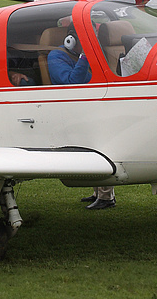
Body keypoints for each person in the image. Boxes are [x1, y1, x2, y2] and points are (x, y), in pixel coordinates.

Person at [48, 27, 113, 209]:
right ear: (72, 41)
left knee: (99, 147)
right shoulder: (56, 56)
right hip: (73, 107)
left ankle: (106, 197)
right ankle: (99, 194)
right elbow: (71, 82)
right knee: (91, 149)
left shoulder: (85, 55)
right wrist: (85, 57)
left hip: (89, 104)